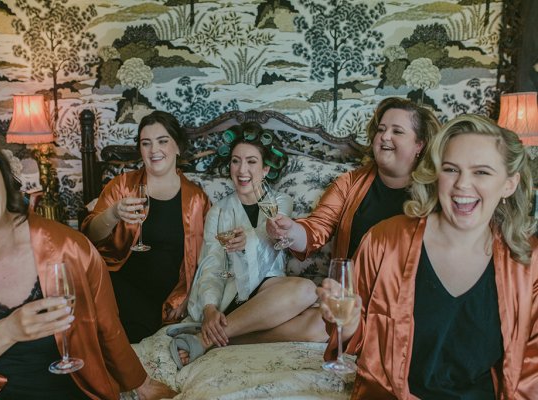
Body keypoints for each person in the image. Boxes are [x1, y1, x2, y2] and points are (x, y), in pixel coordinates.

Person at [318, 114, 538, 398]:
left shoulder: (528, 264)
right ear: (436, 175)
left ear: (509, 183)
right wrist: (347, 327)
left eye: (481, 172)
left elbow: (530, 373)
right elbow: (360, 344)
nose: (462, 185)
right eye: (451, 169)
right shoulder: (384, 241)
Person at [0, 118, 146, 399]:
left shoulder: (70, 248)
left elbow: (108, 329)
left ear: (1, 172)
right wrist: (9, 331)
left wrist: (139, 384)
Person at [171, 122, 326, 368]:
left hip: (271, 297)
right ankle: (213, 331)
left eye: (252, 162)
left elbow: (272, 229)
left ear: (265, 169)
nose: (242, 169)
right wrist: (210, 309)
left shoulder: (279, 201)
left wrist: (252, 238)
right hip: (235, 295)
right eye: (235, 161)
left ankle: (215, 340)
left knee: (324, 326)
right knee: (306, 289)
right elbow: (212, 264)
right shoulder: (219, 212)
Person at [82, 110, 210, 343]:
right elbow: (90, 235)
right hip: (118, 283)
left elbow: (205, 258)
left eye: (162, 141)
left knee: (140, 330)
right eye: (146, 143)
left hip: (163, 295)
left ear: (178, 147)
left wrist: (186, 297)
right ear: (140, 149)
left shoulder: (197, 199)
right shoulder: (122, 186)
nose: (154, 150)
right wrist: (113, 213)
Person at [266, 97, 440, 261]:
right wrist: (290, 230)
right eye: (381, 129)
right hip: (351, 289)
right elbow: (316, 230)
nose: (385, 136)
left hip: (408, 290)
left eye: (397, 131)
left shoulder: (436, 190)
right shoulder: (349, 183)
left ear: (419, 144)